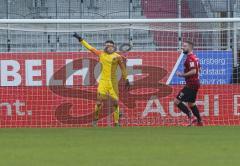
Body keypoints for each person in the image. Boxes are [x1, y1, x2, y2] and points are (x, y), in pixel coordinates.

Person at [73, 33, 130, 127]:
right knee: (99, 102)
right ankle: (95, 120)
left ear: (114, 47)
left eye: (110, 46)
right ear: (105, 47)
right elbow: (90, 48)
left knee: (115, 102)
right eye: (107, 46)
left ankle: (116, 123)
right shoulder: (101, 54)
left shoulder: (118, 57)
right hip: (103, 81)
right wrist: (80, 39)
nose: (109, 47)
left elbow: (123, 68)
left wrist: (126, 78)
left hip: (113, 83)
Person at [174, 41, 203, 126]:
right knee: (191, 103)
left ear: (190, 47)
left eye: (185, 46)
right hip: (195, 83)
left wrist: (182, 75)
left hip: (191, 84)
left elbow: (194, 71)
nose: (183, 47)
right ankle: (199, 121)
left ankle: (191, 116)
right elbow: (199, 70)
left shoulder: (190, 58)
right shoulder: (195, 58)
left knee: (176, 101)